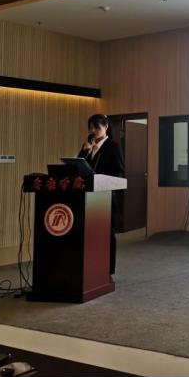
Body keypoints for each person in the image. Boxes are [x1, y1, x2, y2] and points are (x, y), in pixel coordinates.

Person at [78, 114, 124, 275]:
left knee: (107, 233)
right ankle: (91, 267)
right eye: (91, 127)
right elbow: (77, 167)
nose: (93, 131)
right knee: (89, 232)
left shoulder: (113, 146)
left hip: (105, 197)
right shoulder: (87, 146)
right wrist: (84, 152)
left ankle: (108, 271)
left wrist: (103, 180)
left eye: (97, 127)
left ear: (106, 127)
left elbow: (119, 171)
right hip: (88, 197)